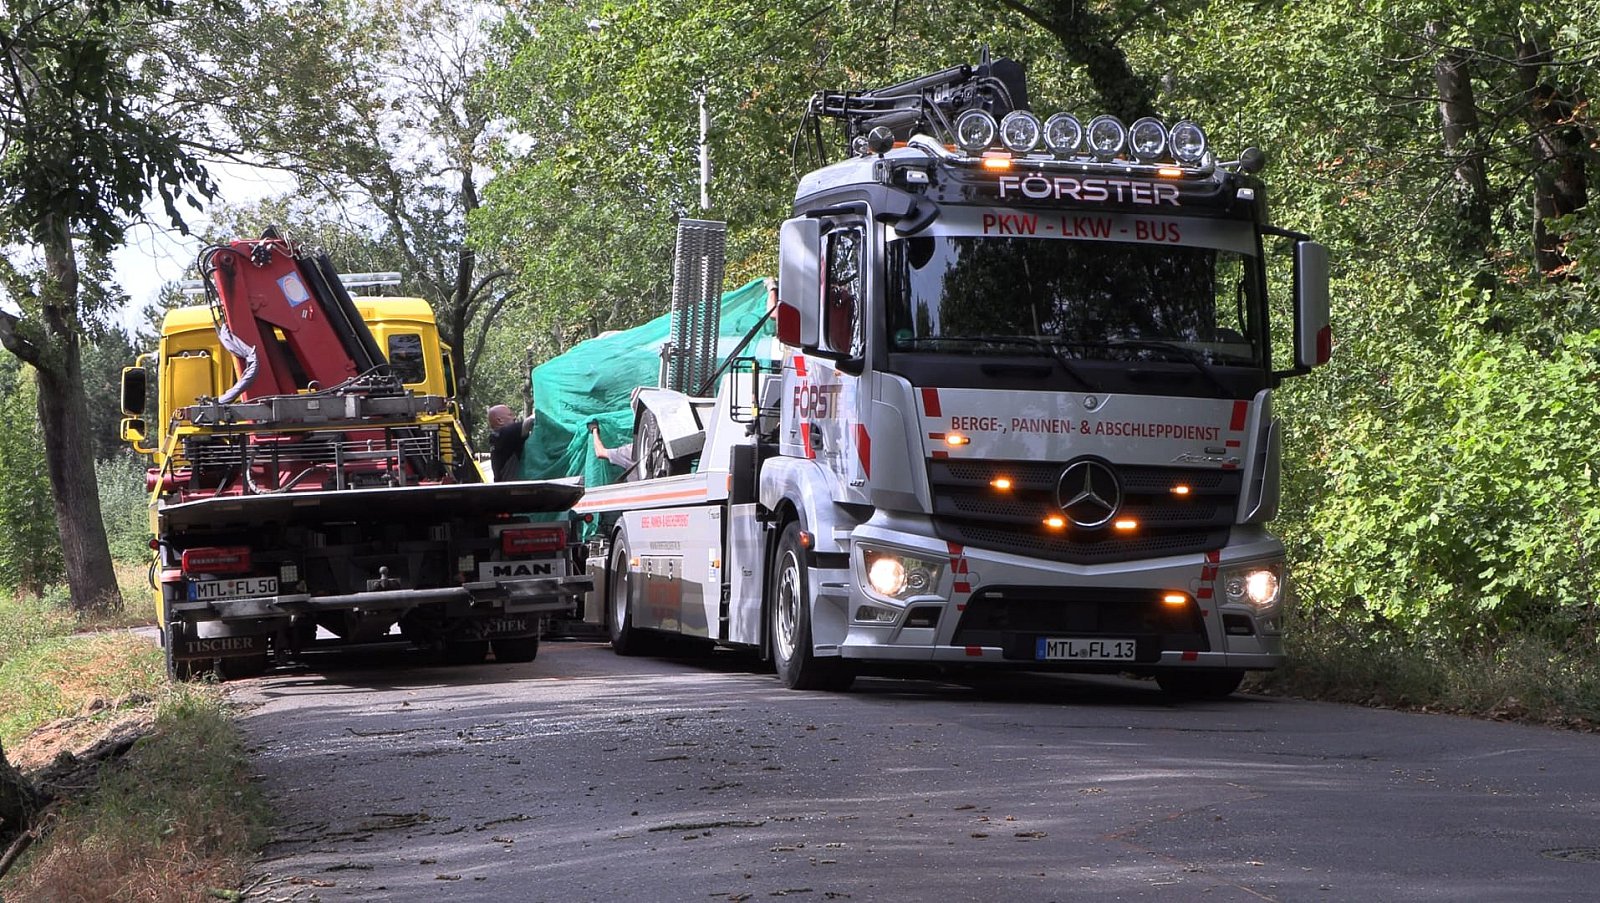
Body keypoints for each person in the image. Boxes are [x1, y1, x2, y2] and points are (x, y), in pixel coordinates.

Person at [487, 403, 535, 481]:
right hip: (513, 487)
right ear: (499, 420)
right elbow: (529, 422)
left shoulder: (497, 439)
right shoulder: (503, 435)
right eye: (510, 415)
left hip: (507, 486)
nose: (514, 418)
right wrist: (541, 411)